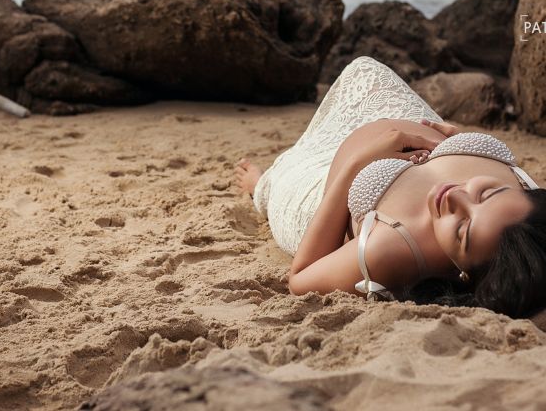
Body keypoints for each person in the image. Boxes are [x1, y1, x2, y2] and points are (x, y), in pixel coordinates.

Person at [233, 56, 546, 319]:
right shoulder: (527, 215)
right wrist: (458, 141)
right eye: (486, 193)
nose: (454, 196)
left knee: (278, 181)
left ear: (463, 273)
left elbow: (299, 280)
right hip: (391, 131)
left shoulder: (392, 249)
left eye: (462, 229)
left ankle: (262, 187)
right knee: (362, 67)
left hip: (326, 195)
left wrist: (356, 164)